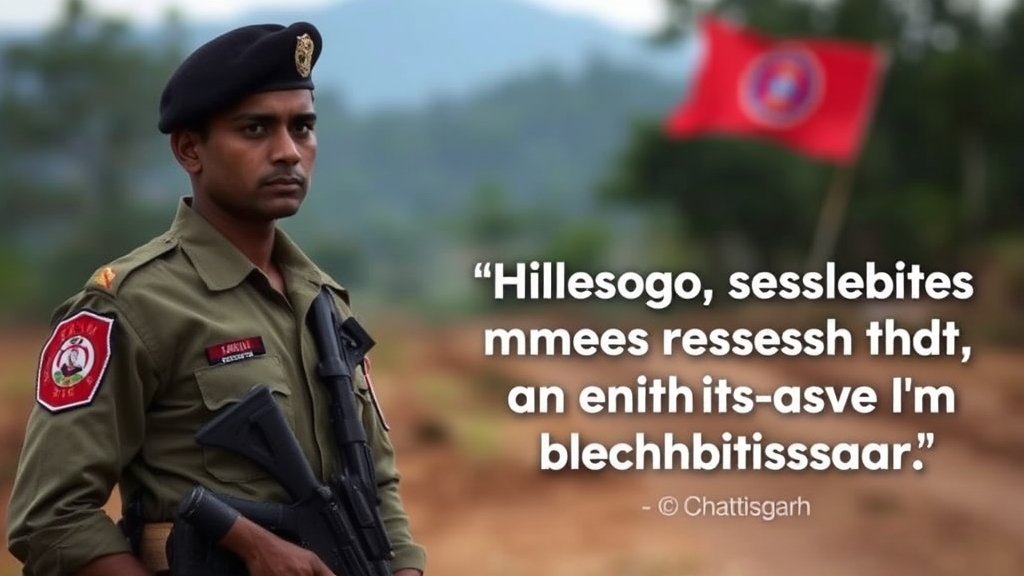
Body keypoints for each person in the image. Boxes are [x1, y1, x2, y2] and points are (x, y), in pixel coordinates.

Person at [6, 22, 426, 576]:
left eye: (302, 127)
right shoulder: (131, 306)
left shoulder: (325, 304)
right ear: (189, 149)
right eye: (255, 129)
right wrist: (255, 548)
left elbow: (377, 486)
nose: (287, 153)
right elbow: (51, 519)